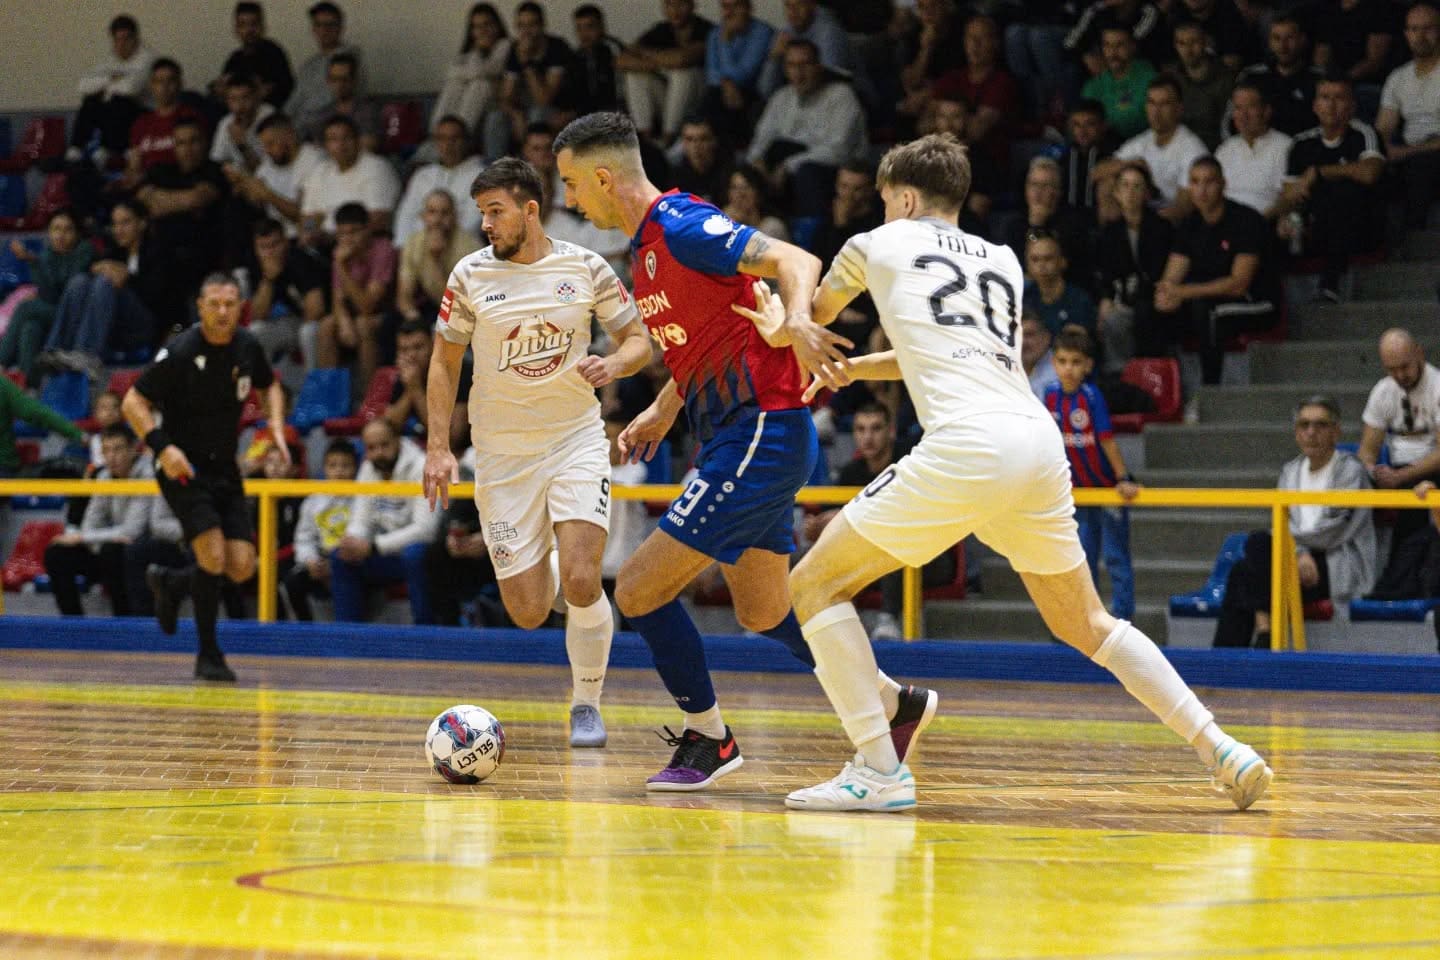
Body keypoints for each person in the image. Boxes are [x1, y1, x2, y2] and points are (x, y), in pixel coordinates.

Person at [771, 132, 1270, 813]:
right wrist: (859, 368)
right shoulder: (1002, 259)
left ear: (906, 197)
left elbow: (811, 318)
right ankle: (1223, 749)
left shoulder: (875, 243)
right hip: (1034, 441)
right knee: (1089, 623)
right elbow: (965, 353)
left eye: (887, 202)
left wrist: (783, 319)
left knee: (813, 585)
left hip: (967, 446)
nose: (883, 212)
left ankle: (879, 768)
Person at [552, 111, 934, 789]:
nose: (571, 200)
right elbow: (704, 346)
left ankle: (710, 739)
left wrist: (795, 319)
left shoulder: (681, 226)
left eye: (573, 186)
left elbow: (796, 259)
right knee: (765, 609)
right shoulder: (643, 256)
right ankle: (889, 700)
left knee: (637, 591)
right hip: (744, 434)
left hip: (760, 428)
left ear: (603, 177)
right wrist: (663, 409)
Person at [422, 156, 654, 748]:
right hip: (500, 455)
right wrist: (438, 447)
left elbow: (638, 342)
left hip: (575, 438)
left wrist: (614, 363)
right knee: (527, 608)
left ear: (530, 210)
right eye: (481, 214)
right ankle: (547, 560)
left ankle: (586, 703)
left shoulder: (587, 267)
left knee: (582, 578)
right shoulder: (469, 275)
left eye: (495, 212)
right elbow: (444, 362)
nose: (485, 225)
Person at [124, 272, 289, 682]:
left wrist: (277, 430)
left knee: (241, 565)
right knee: (213, 555)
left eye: (230, 304)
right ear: (200, 307)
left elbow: (270, 387)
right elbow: (132, 401)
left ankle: (173, 583)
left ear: (240, 307)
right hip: (183, 467)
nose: (222, 312)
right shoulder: (181, 350)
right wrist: (163, 447)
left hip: (225, 467)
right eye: (213, 304)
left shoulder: (248, 346)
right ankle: (209, 655)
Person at [1214, 395, 1377, 647]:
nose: (1311, 432)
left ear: (1336, 432)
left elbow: (1336, 530)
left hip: (1334, 562)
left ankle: (1235, 654)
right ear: (1296, 433)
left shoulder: (1351, 471)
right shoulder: (1289, 471)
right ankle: (1261, 632)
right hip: (1296, 561)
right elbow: (1281, 522)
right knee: (1246, 565)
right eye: (1304, 425)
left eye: (1320, 425)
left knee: (1250, 561)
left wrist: (1295, 551)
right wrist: (1299, 554)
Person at [1044, 328, 1141, 620]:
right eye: (1062, 361)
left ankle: (1124, 621)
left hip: (1107, 490)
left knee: (1115, 557)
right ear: (1054, 363)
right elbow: (1047, 443)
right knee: (1082, 557)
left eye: (1076, 362)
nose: (1068, 368)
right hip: (1077, 494)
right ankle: (1087, 621)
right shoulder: (1048, 396)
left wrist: (1123, 479)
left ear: (1087, 365)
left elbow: (1107, 440)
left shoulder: (1091, 396)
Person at [1154, 156, 1276, 386]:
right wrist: (1165, 295)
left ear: (1223, 184)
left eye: (1209, 182)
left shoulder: (1246, 220)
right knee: (1152, 311)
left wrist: (1183, 292)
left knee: (1209, 313)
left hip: (1257, 302)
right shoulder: (1189, 225)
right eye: (1195, 182)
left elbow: (1239, 284)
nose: (1202, 190)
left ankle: (1210, 389)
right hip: (1206, 299)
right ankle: (1162, 388)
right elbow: (1171, 278)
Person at [1275, 77, 1386, 302]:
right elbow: (1290, 193)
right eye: (1325, 98)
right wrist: (1284, 218)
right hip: (1315, 227)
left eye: (1339, 98)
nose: (1331, 105)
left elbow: (1369, 173)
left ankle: (1330, 285)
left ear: (1352, 105)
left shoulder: (1364, 134)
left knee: (1343, 194)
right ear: (1315, 105)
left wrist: (1319, 173)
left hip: (1361, 227)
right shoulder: (1301, 143)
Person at [745, 39, 868, 220]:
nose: (798, 73)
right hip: (783, 173)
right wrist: (757, 161)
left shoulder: (841, 96)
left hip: (834, 172)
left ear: (819, 66)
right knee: (748, 170)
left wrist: (788, 166)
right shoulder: (782, 97)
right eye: (792, 66)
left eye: (805, 65)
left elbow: (839, 151)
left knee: (807, 172)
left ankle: (810, 236)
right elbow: (761, 140)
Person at [331, 418, 437, 623]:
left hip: (424, 552)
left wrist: (373, 546)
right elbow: (361, 520)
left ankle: (426, 635)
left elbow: (426, 530)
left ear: (398, 440)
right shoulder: (368, 468)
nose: (379, 453)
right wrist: (352, 541)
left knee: (414, 555)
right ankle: (348, 637)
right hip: (384, 550)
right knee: (341, 557)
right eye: (372, 447)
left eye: (384, 445)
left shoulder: (425, 467)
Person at [1358, 329, 1440, 595]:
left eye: (1404, 367)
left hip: (1431, 468)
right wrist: (1372, 473)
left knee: (1417, 495)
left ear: (1419, 353)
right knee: (1353, 482)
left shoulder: (1438, 386)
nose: (1400, 375)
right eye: (1392, 369)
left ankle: (1398, 585)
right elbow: (1367, 452)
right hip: (1397, 470)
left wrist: (1401, 477)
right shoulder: (1382, 391)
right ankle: (1357, 578)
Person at [43, 425, 150, 617]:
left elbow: (133, 531)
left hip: (144, 551)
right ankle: (73, 624)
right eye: (106, 450)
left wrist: (84, 537)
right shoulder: (103, 476)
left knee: (113, 551)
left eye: (118, 449)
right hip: (110, 546)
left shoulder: (148, 476)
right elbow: (90, 524)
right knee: (57, 553)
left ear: (134, 449)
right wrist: (88, 537)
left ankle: (124, 622)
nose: (111, 456)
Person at [0, 210, 94, 383]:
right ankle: (28, 385)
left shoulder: (85, 251)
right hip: (54, 315)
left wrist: (35, 261)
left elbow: (67, 287)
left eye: (67, 230)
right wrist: (34, 262)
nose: (61, 235)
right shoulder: (47, 253)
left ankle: (1, 362)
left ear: (77, 233)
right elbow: (47, 294)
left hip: (76, 318)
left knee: (26, 307)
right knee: (31, 327)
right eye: (56, 229)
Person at [314, 202, 397, 394]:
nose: (348, 239)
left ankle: (368, 397)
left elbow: (368, 305)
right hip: (357, 313)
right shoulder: (341, 253)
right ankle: (328, 397)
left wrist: (342, 267)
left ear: (368, 229)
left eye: (354, 232)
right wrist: (343, 322)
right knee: (327, 326)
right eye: (343, 234)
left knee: (363, 324)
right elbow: (338, 298)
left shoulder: (383, 250)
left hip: (387, 313)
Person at [1375, 2, 1440, 231]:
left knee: (1420, 166)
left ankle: (1415, 240)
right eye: (1414, 29)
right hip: (1408, 154)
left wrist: (1404, 152)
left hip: (1431, 153)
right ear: (1406, 34)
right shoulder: (1399, 77)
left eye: (1428, 28)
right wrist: (1378, 153)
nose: (1420, 36)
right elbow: (1383, 128)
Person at [284, 437, 355, 621]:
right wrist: (311, 561)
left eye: (345, 466)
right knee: (293, 581)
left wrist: (334, 565)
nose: (339, 471)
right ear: (324, 469)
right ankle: (305, 630)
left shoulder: (363, 497)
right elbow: (304, 538)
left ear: (355, 469)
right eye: (333, 466)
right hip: (320, 560)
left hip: (351, 560)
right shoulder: (314, 500)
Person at [430, 3, 512, 159]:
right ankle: (437, 134)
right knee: (455, 84)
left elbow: (488, 70)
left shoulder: (506, 46)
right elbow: (452, 72)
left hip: (497, 106)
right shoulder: (470, 54)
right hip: (472, 109)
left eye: (487, 25)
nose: (482, 31)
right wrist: (475, 59)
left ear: (497, 26)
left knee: (480, 84)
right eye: (476, 27)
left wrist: (476, 55)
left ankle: (459, 135)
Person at [392, 116, 484, 246]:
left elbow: (473, 222)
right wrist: (403, 246)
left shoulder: (482, 176)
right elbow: (406, 215)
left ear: (466, 141)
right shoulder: (422, 175)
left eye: (454, 139)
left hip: (461, 248)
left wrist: (440, 241)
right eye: (442, 138)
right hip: (420, 247)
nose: (448, 145)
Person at [285, 2, 363, 142]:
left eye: (329, 25)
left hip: (327, 129)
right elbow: (294, 101)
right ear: (313, 29)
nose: (324, 30)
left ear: (340, 28)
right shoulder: (308, 66)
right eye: (318, 25)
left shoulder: (350, 56)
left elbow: (331, 101)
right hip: (297, 130)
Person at [1215, 83, 1293, 219]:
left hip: (1266, 226)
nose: (1243, 115)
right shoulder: (1225, 149)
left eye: (1250, 107)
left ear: (1266, 111)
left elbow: (1289, 199)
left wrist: (1256, 224)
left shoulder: (1285, 146)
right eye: (1238, 108)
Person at [216, 2, 294, 108]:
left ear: (262, 27)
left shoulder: (273, 53)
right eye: (243, 25)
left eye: (253, 24)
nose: (249, 30)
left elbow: (284, 90)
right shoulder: (234, 59)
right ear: (236, 29)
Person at [1023, 232, 1097, 338]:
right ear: (1027, 265)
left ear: (1063, 261)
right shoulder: (1023, 300)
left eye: (1048, 258)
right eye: (1035, 259)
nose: (1041, 265)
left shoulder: (1079, 300)